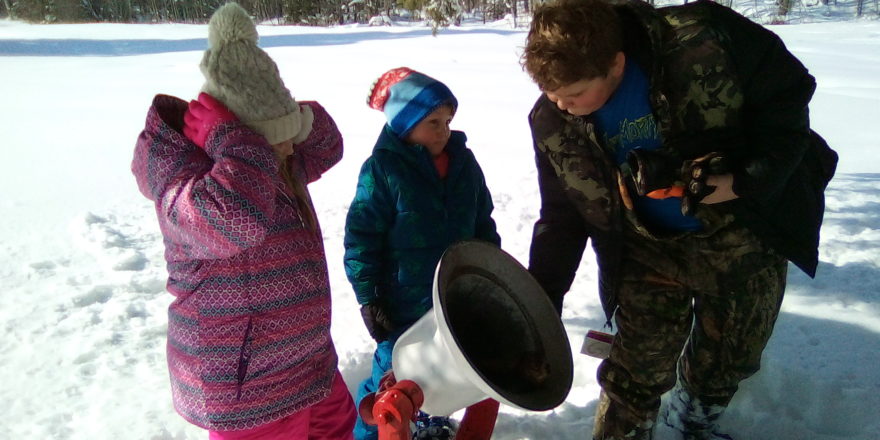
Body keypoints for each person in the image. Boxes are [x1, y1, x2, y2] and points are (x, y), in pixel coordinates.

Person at [520, 0, 838, 439]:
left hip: (740, 232)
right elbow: (561, 216)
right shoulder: (552, 120)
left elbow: (787, 97)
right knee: (635, 368)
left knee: (729, 354)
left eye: (574, 95)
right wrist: (540, 307)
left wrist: (743, 181)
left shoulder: (703, 40)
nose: (563, 106)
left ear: (616, 63)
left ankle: (693, 419)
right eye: (552, 93)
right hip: (647, 246)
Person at [131, 3, 356, 439]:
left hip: (307, 363)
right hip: (248, 391)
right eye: (279, 145)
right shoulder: (185, 182)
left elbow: (329, 146)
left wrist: (291, 118)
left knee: (341, 428)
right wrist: (237, 139)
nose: (291, 152)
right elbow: (237, 219)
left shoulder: (269, 162)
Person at [343, 67, 502, 440]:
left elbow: (483, 224)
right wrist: (370, 298)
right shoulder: (382, 171)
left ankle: (430, 421)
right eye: (433, 121)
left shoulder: (465, 164)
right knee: (393, 374)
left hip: (455, 297)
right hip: (402, 303)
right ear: (405, 124)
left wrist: (490, 274)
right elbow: (361, 239)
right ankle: (368, 432)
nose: (443, 130)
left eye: (447, 120)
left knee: (450, 368)